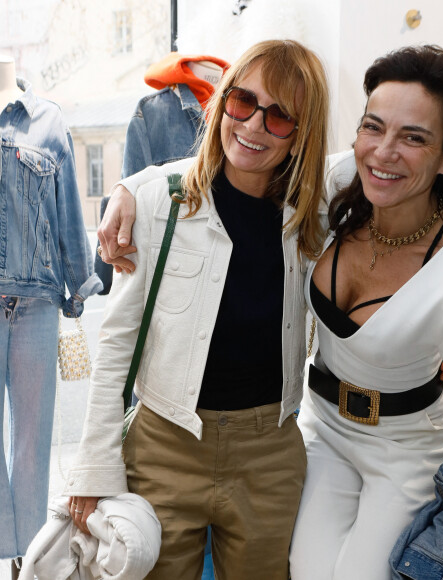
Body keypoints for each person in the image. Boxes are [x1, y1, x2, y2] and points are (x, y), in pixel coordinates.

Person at [64, 39, 329, 580]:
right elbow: (116, 343)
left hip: (269, 452)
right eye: (243, 102)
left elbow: (362, 168)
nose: (254, 125)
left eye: (280, 116)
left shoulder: (311, 218)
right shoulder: (161, 202)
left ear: (302, 133)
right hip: (164, 445)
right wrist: (93, 468)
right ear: (222, 101)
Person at [289, 45, 443, 579]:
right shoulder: (341, 182)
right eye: (373, 127)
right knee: (305, 570)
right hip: (324, 429)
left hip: (406, 450)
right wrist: (136, 188)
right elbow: (250, 164)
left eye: (413, 137)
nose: (383, 152)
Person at [0, 55, 101, 579]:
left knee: (33, 439)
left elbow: (67, 211)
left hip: (37, 301)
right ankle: (7, 544)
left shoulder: (48, 121)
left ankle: (28, 555)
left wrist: (77, 284)